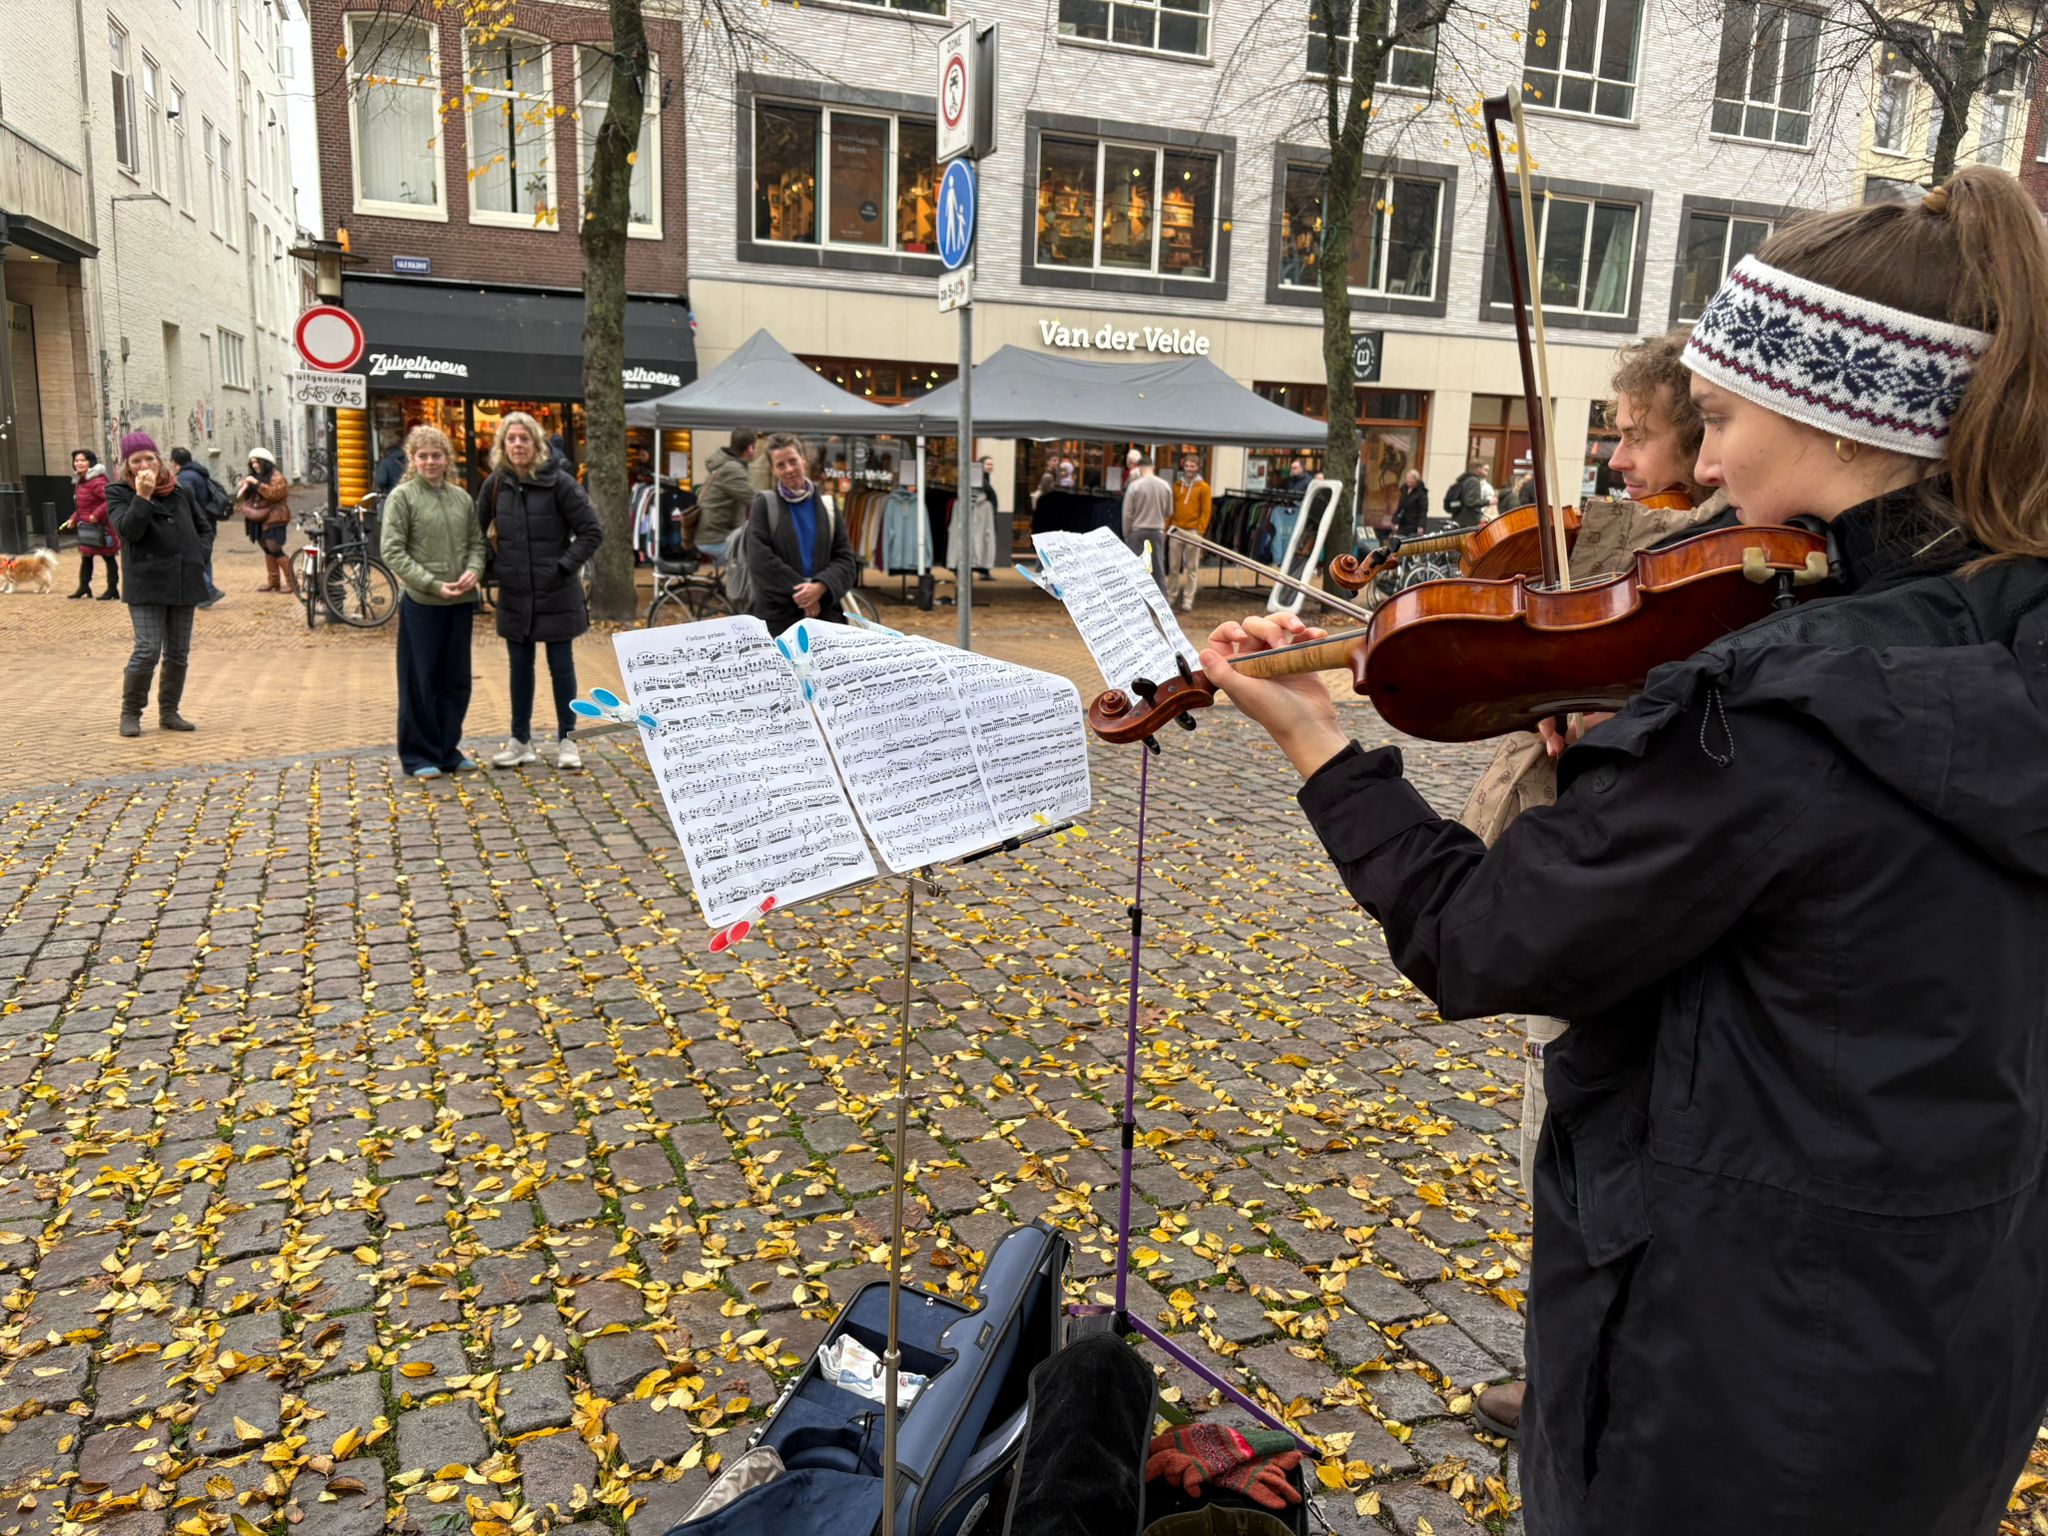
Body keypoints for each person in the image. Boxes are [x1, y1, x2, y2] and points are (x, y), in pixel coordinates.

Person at [1199, 165, 2048, 1536]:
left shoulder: (1785, 712)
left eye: (1717, 418)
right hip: (1954, 1329)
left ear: (1845, 415)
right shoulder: (2003, 647)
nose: (1701, 468)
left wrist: (1316, 744)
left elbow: (1483, 936)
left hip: (1732, 1381)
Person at [1454, 329, 1726, 1443]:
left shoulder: (1714, 573)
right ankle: (1562, 1365)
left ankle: (1580, 1383)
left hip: (1618, 921)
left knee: (1583, 1147)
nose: (1616, 463)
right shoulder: (1646, 564)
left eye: (1634, 433)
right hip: (1579, 887)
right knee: (1556, 1144)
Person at [476, 410, 601, 771]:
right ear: (503, 445)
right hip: (515, 592)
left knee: (561, 667)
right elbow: (476, 530)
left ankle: (568, 740)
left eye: (524, 438)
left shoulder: (560, 483)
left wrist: (563, 566)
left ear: (536, 444)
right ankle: (521, 741)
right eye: (511, 439)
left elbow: (591, 531)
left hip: (556, 591)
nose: (518, 445)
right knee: (520, 668)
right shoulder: (495, 485)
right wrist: (491, 568)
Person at [381, 425, 487, 780]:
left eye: (436, 455)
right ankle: (417, 754)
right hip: (423, 603)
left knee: (455, 681)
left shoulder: (461, 498)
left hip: (459, 602)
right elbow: (393, 550)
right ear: (412, 459)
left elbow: (477, 544)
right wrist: (431, 584)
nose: (430, 461)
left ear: (447, 459)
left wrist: (474, 570)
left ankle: (447, 749)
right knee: (419, 681)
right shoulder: (403, 497)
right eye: (423, 455)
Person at [106, 432, 209, 738]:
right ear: (128, 466)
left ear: (159, 459)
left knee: (178, 651)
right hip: (147, 581)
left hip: (182, 579)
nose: (144, 464)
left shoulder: (181, 490)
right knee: (147, 649)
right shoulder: (117, 492)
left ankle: (169, 712)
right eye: (136, 460)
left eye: (149, 457)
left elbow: (203, 527)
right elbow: (128, 532)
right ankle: (131, 712)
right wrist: (142, 497)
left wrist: (197, 556)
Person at [744, 432, 859, 634]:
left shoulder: (827, 506)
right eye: (780, 465)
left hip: (824, 617)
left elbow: (845, 560)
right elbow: (759, 560)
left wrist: (821, 587)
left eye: (792, 461)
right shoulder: (764, 505)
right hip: (778, 620)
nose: (789, 469)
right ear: (773, 470)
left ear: (803, 460)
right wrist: (804, 594)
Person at [169, 447, 227, 608]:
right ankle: (205, 596)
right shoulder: (200, 472)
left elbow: (185, 503)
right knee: (205, 557)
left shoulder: (184, 478)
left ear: (175, 462)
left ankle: (208, 590)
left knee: (194, 559)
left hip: (196, 523)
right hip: (209, 521)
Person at [60, 449, 117, 600]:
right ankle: (84, 587)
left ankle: (112, 589)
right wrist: (73, 518)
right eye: (76, 460)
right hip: (86, 527)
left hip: (101, 527)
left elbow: (109, 500)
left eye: (82, 460)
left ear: (90, 462)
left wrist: (96, 515)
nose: (78, 463)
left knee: (108, 557)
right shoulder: (80, 480)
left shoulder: (97, 480)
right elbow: (81, 505)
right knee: (86, 557)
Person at [695, 429, 757, 565]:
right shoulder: (732, 469)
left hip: (713, 534)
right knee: (756, 562)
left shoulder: (727, 464)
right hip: (716, 538)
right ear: (750, 448)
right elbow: (753, 499)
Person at [237, 448, 295, 594]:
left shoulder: (276, 476)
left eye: (257, 461)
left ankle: (291, 583)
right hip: (259, 517)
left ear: (265, 462)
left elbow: (274, 494)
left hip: (275, 517)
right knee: (266, 549)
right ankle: (273, 581)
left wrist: (256, 483)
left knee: (275, 548)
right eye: (252, 462)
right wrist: (245, 487)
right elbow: (252, 498)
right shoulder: (256, 476)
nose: (255, 465)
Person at [1167, 452, 1213, 612]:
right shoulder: (1177, 485)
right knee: (1173, 567)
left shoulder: (1204, 487)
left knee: (1192, 568)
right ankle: (1171, 596)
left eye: (1192, 466)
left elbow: (1206, 512)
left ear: (1197, 467)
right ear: (1183, 466)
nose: (1189, 469)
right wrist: (1168, 527)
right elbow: (1171, 508)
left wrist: (1199, 531)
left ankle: (1188, 599)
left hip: (1193, 531)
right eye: (1187, 466)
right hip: (1176, 530)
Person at [1120, 455, 1172, 593]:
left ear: (1139, 468)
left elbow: (1127, 514)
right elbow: (1169, 511)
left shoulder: (1134, 486)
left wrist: (1127, 534)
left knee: (1133, 568)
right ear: (1153, 467)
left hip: (1137, 532)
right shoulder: (1165, 486)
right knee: (1158, 569)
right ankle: (1161, 603)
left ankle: (1134, 601)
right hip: (1157, 531)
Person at [1393, 468, 1429, 537]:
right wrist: (1395, 520)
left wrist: (1421, 526)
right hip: (1403, 524)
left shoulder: (1421, 493)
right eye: (1407, 478)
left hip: (1414, 525)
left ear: (1415, 480)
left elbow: (1423, 510)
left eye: (1410, 478)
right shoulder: (1404, 489)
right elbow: (1400, 507)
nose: (1407, 480)